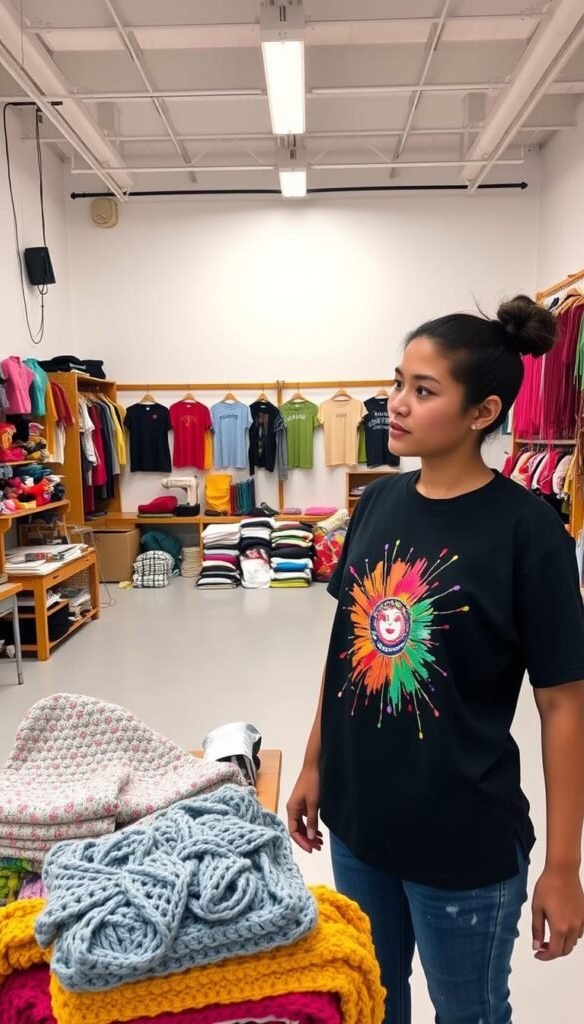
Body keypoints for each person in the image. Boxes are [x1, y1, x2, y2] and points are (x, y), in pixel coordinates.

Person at [287, 295, 584, 1024]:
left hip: (463, 838)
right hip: (359, 826)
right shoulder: (378, 502)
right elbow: (346, 647)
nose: (396, 404)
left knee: (469, 1012)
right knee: (371, 1002)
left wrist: (564, 868)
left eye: (423, 391)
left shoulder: (528, 531)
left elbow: (562, 702)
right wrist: (314, 763)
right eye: (396, 383)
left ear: (482, 412)